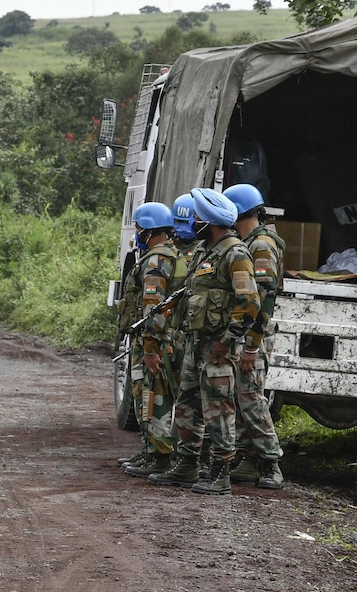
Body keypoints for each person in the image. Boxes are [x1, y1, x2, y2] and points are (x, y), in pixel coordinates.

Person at [149, 188, 260, 495]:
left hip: (218, 347)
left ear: (209, 221)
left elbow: (249, 303)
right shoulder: (203, 251)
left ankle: (220, 472)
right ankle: (186, 465)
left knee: (219, 409)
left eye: (197, 216)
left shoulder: (235, 253)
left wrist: (227, 341)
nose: (192, 220)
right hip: (196, 344)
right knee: (186, 406)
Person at [223, 183, 285, 489]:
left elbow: (264, 298)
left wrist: (251, 346)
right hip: (248, 335)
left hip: (254, 337)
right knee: (242, 396)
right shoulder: (250, 240)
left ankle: (271, 463)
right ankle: (247, 460)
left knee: (251, 398)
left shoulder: (260, 244)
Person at [119, 202, 184, 479]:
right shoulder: (174, 255)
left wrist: (149, 348)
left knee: (152, 397)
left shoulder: (156, 261)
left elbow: (153, 308)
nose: (136, 235)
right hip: (167, 339)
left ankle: (159, 457)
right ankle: (151, 451)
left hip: (156, 341)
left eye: (139, 229)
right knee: (155, 396)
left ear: (150, 231)